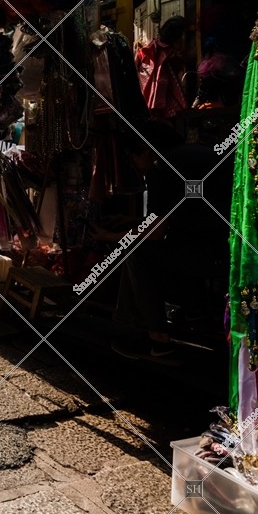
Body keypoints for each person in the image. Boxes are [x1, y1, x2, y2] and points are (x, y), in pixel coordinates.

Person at [89, 121, 227, 363]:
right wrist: (131, 220)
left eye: (132, 159)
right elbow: (173, 214)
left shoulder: (161, 168)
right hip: (221, 246)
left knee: (138, 252)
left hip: (215, 254)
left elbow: (155, 232)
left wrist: (108, 237)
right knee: (157, 246)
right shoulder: (187, 157)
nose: (134, 167)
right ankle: (192, 311)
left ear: (145, 150)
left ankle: (157, 340)